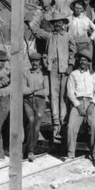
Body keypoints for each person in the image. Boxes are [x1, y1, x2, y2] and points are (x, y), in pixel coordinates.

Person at [28, 12, 74, 140]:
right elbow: (37, 31)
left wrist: (71, 64)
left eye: (60, 22)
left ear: (64, 24)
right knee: (54, 97)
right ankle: (56, 126)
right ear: (53, 24)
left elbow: (73, 51)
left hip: (64, 70)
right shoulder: (49, 36)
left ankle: (63, 125)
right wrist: (29, 23)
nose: (58, 24)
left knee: (64, 98)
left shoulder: (68, 36)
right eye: (55, 22)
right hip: (52, 70)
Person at [65, 50, 95, 167]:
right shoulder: (73, 74)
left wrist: (92, 104)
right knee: (71, 127)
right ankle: (70, 155)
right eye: (81, 60)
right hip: (78, 103)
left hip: (91, 104)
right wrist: (78, 105)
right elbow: (70, 92)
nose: (83, 62)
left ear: (89, 62)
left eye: (85, 60)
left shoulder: (94, 75)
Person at [23, 52, 48, 162]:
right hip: (27, 101)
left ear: (40, 62)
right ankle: (28, 149)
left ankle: (30, 150)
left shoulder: (44, 74)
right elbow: (23, 89)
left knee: (36, 123)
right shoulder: (26, 73)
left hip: (40, 101)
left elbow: (46, 91)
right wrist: (34, 90)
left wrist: (33, 91)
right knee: (31, 121)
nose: (34, 63)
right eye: (33, 61)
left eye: (37, 61)